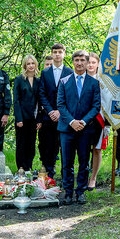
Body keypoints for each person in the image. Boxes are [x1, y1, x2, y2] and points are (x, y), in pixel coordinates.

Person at [57, 50, 101, 205]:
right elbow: (61, 105)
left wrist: (83, 122)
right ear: (73, 62)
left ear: (87, 62)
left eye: (83, 60)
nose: (80, 63)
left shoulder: (94, 83)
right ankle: (68, 192)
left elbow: (96, 107)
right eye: (77, 60)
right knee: (66, 163)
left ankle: (80, 192)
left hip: (85, 129)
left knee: (84, 162)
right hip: (67, 129)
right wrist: (72, 122)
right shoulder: (64, 81)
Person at [37, 43, 73, 179]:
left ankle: (66, 177)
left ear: (64, 53)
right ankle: (49, 176)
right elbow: (42, 94)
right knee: (49, 148)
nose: (57, 54)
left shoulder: (70, 72)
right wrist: (51, 111)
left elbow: (71, 96)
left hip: (64, 117)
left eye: (60, 52)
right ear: (52, 54)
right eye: (55, 52)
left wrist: (60, 111)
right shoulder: (45, 73)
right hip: (48, 117)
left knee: (65, 148)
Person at [12, 55, 41, 172]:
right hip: (22, 119)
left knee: (31, 145)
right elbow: (16, 100)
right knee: (21, 144)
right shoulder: (19, 79)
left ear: (36, 65)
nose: (31, 66)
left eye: (32, 63)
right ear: (25, 65)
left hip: (33, 118)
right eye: (28, 64)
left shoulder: (39, 80)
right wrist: (18, 118)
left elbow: (40, 101)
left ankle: (28, 167)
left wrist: (39, 119)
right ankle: (21, 169)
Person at [86, 52, 108, 191]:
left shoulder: (104, 81)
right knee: (82, 149)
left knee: (96, 148)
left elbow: (107, 102)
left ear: (98, 64)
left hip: (99, 119)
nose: (90, 65)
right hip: (82, 119)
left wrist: (108, 124)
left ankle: (93, 178)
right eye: (88, 62)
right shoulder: (80, 78)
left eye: (93, 62)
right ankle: (83, 175)